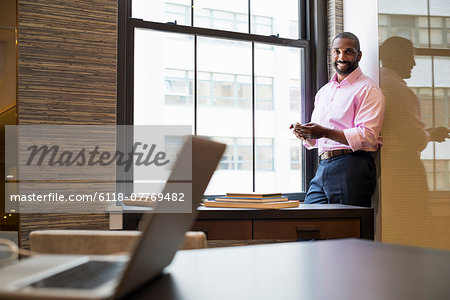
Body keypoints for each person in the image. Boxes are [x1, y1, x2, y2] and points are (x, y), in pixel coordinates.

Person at [292, 32, 385, 207]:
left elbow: (368, 135)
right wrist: (307, 134)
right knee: (307, 226)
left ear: (359, 55)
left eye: (348, 52)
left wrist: (323, 131)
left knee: (348, 229)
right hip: (323, 166)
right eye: (337, 51)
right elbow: (319, 138)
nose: (342, 57)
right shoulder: (324, 92)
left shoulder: (368, 89)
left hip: (352, 166)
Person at [379, 36, 449, 247]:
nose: (414, 63)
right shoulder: (400, 91)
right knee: (415, 226)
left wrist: (426, 132)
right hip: (404, 168)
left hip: (382, 167)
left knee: (392, 227)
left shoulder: (374, 85)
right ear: (396, 57)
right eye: (410, 57)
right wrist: (428, 135)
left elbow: (393, 131)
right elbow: (414, 140)